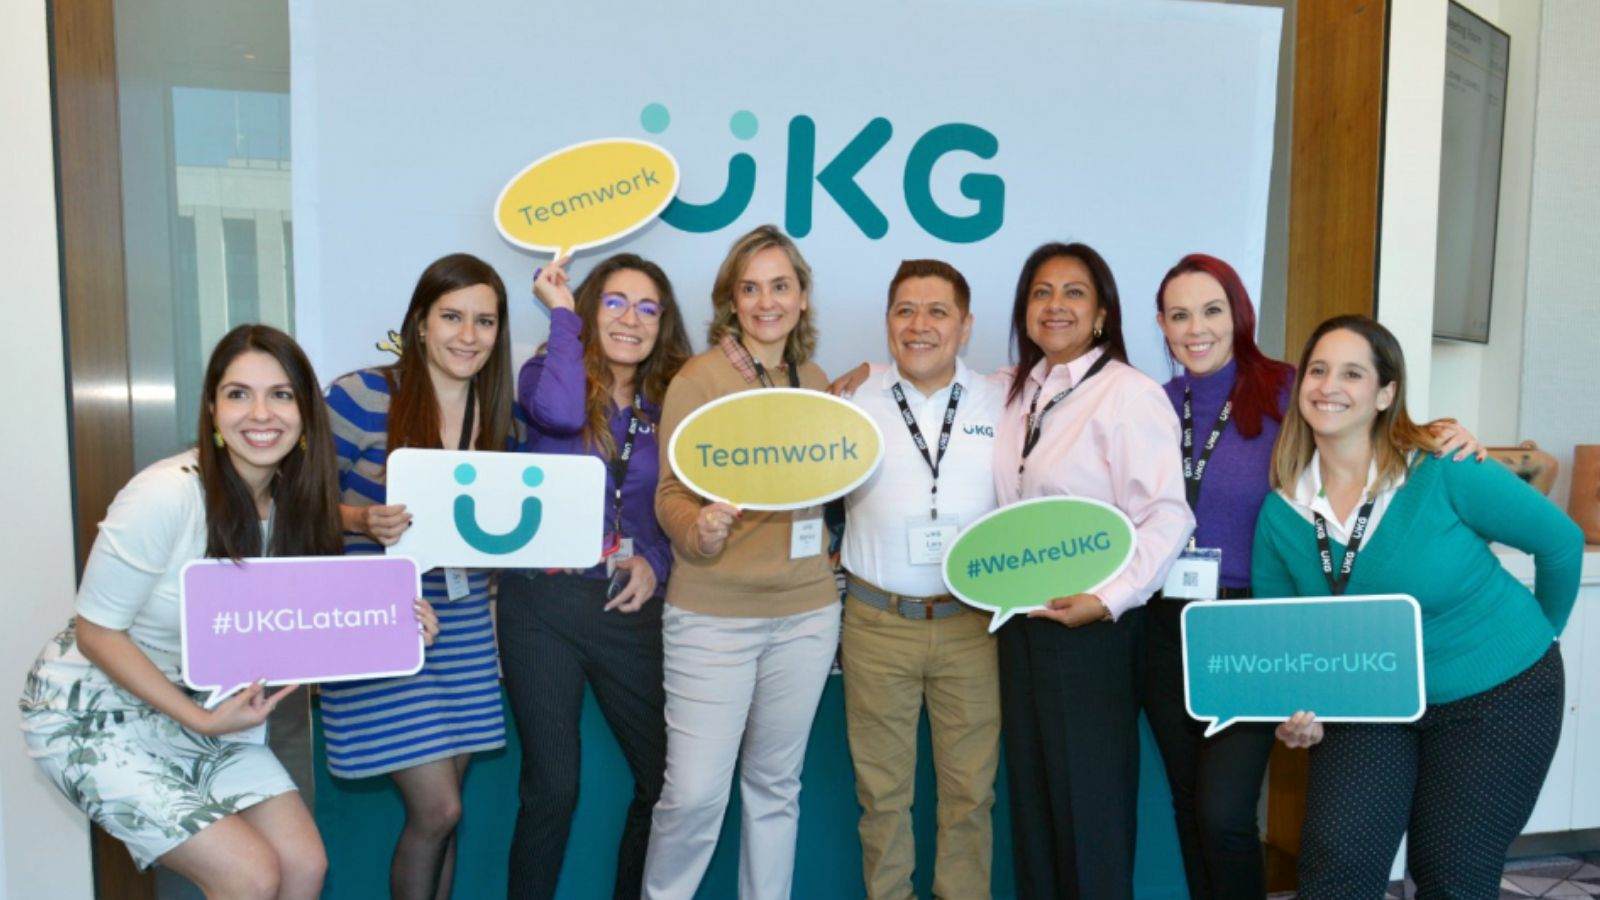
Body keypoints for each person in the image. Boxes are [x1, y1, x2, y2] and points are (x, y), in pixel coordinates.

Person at [19, 325, 437, 898]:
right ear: (212, 409)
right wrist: (202, 722)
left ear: (306, 412)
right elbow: (95, 632)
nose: (260, 413)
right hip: (94, 709)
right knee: (249, 875)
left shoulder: (300, 504)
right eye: (239, 394)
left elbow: (301, 628)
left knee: (303, 867)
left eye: (281, 394)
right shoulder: (165, 495)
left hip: (210, 704)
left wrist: (397, 625)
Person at [1144, 256, 1484, 900]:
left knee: (1223, 811)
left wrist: (1447, 433)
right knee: (1189, 802)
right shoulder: (1153, 404)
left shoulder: (1289, 388)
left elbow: (1372, 420)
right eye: (1179, 314)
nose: (1196, 328)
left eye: (1212, 310)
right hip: (1169, 621)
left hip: (1255, 618)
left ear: (1238, 315)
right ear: (1161, 324)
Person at [1256, 315, 1583, 898]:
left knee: (1451, 875)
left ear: (1385, 394)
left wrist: (1542, 638)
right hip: (1373, 699)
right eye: (1318, 370)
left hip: (1499, 696)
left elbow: (1559, 543)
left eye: (1352, 373)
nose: (1329, 385)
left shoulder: (1444, 469)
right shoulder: (1282, 510)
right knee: (1336, 868)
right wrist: (1295, 711)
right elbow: (1285, 639)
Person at [993, 242, 1194, 900]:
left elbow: (1168, 517)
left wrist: (1106, 600)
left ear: (1103, 313)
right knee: (1037, 813)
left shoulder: (1128, 395)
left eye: (1073, 292)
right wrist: (863, 373)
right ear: (1025, 311)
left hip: (1092, 633)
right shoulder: (1013, 391)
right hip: (1021, 629)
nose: (1056, 305)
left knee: (1091, 818)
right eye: (1041, 292)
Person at [642, 225, 838, 900]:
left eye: (780, 286)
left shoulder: (811, 381)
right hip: (713, 618)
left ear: (802, 297)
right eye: (750, 288)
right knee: (694, 794)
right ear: (731, 300)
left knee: (775, 788)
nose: (766, 302)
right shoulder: (698, 380)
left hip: (807, 615)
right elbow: (669, 494)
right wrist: (699, 529)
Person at [321, 252, 517, 900]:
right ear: (420, 323)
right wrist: (360, 519)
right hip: (382, 618)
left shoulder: (499, 421)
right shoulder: (362, 395)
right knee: (439, 811)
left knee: (446, 815)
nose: (468, 335)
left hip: (461, 623)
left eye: (484, 321)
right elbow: (294, 499)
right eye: (452, 317)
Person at [501, 252, 692, 899]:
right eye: (613, 301)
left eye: (647, 307)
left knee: (665, 778)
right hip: (541, 604)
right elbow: (555, 415)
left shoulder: (672, 404)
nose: (631, 319)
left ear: (663, 323)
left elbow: (676, 506)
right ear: (589, 311)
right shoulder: (544, 374)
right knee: (553, 787)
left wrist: (656, 562)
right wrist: (561, 311)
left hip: (625, 605)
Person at [837, 259, 1005, 900]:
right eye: (905, 310)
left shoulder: (1003, 398)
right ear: (888, 323)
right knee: (881, 796)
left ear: (964, 326)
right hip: (877, 624)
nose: (920, 325)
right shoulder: (851, 398)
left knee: (969, 795)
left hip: (972, 627)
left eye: (938, 312)